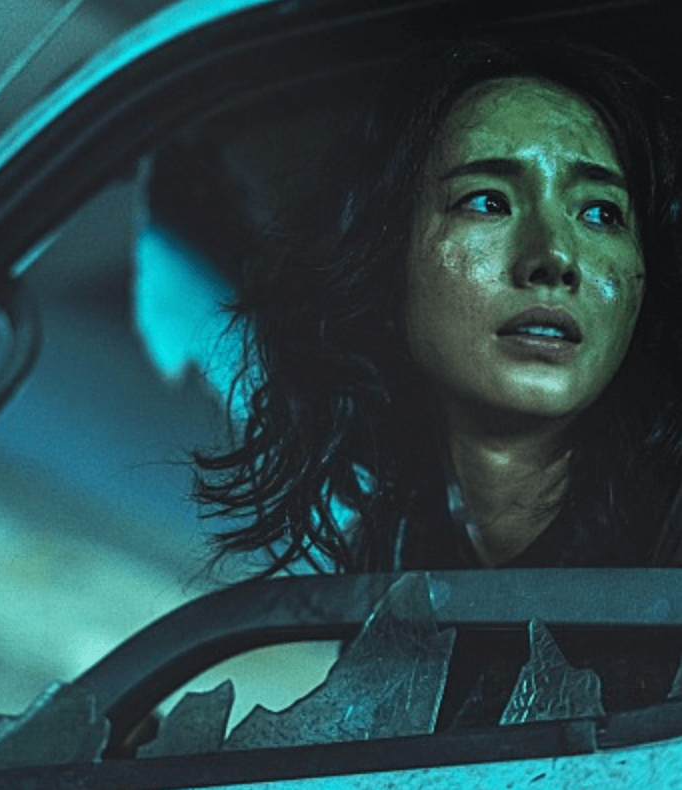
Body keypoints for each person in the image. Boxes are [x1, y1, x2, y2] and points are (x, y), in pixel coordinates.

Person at [193, 36, 682, 724]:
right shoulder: (397, 546)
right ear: (383, 256)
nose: (553, 257)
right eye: (487, 202)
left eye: (601, 213)